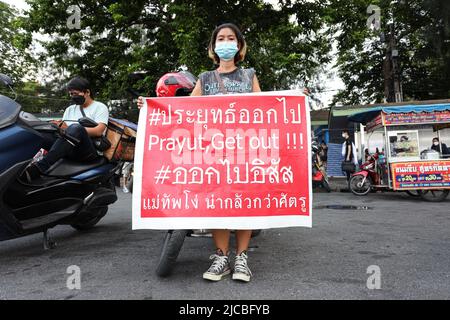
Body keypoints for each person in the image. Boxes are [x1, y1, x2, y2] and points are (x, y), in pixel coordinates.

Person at [21, 77, 109, 182]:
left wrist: (68, 129)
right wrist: (57, 127)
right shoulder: (70, 109)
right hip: (69, 147)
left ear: (87, 92)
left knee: (76, 128)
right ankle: (20, 164)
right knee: (41, 133)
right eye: (71, 94)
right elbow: (64, 132)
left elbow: (99, 130)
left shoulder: (100, 107)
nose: (72, 97)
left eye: (75, 93)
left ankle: (40, 168)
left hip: (87, 151)